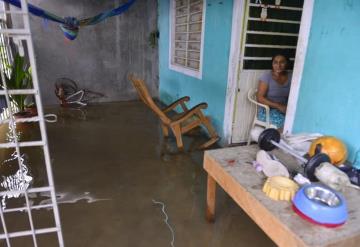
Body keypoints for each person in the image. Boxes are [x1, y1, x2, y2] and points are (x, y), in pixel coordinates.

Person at [256, 54, 292, 129]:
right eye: (275, 62)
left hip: (285, 109)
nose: (278, 65)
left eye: (282, 62)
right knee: (286, 124)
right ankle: (275, 139)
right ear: (272, 64)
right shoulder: (267, 76)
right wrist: (278, 106)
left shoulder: (291, 76)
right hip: (268, 109)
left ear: (287, 63)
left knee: (295, 121)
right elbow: (260, 98)